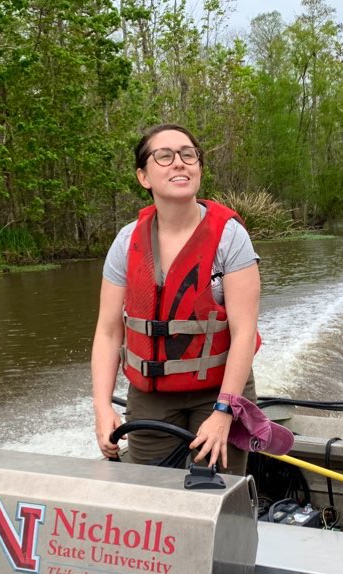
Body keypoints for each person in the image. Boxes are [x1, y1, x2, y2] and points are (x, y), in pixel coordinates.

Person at [91, 124, 261, 474]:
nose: (179, 163)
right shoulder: (126, 243)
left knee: (213, 494)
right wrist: (102, 406)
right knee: (151, 497)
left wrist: (224, 411)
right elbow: (109, 332)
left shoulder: (230, 238)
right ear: (144, 176)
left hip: (219, 390)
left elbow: (244, 332)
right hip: (151, 395)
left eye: (188, 155)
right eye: (164, 156)